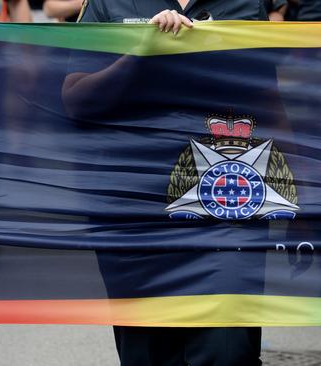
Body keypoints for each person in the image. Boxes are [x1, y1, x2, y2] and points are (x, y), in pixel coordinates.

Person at [70, 1, 275, 365]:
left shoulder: (245, 3)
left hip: (226, 204)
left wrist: (302, 191)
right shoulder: (107, 2)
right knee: (148, 354)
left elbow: (267, 99)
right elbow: (76, 99)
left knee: (228, 352)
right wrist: (141, 53)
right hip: (133, 213)